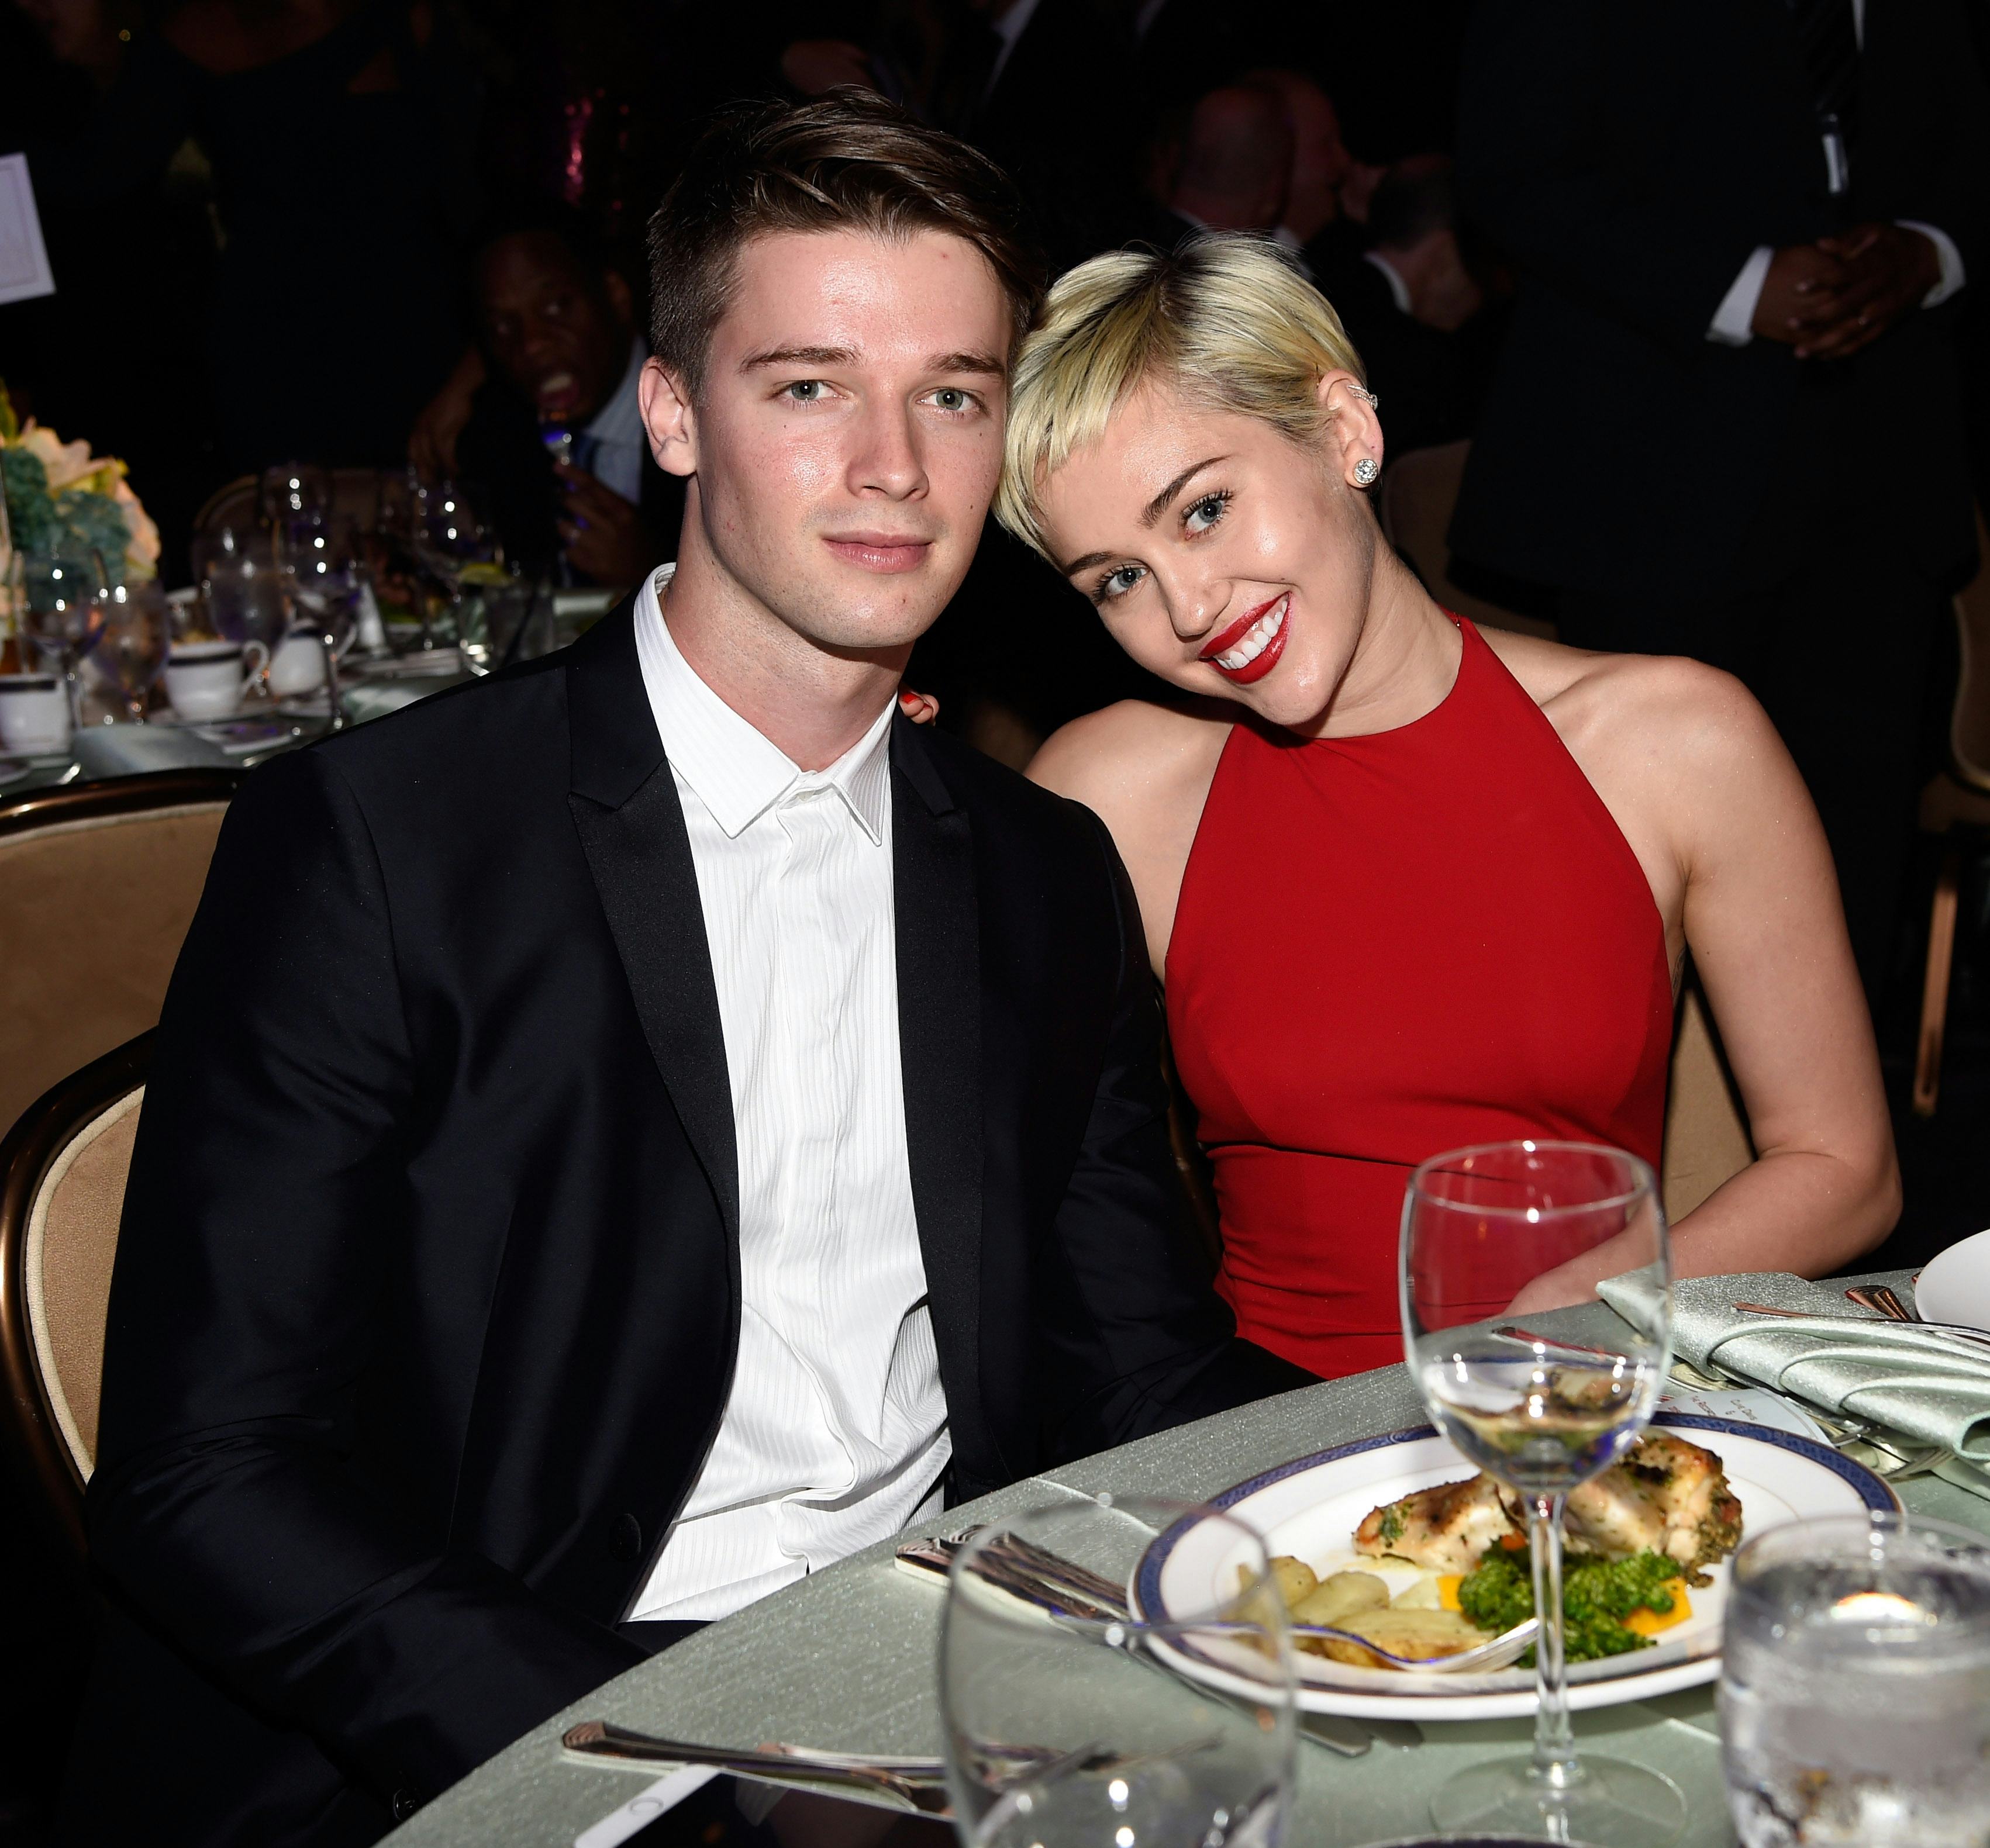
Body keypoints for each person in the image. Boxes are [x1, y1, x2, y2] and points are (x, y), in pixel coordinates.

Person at [65, 98, 1303, 1847]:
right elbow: (209, 1473)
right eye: (808, 387)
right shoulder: (384, 840)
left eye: (954, 395)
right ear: (671, 412)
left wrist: (1440, 1475)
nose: (894, 464)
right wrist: (659, 1774)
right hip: (519, 1699)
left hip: (951, 1684)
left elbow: (1143, 1376)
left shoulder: (1039, 873)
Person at [1009, 237, 1898, 1381]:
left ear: (1345, 428)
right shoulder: (1112, 788)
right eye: (1117, 578)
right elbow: (1013, 1179)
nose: (1187, 606)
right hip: (1263, 1430)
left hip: (1570, 1399)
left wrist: (1595, 1302)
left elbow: (1842, 1167)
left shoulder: (1671, 740)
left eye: (1204, 509)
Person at [1448, 0, 1990, 1000]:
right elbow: (1508, 158)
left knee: (1852, 865)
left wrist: (1928, 252)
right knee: (1645, 873)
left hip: (1882, 462)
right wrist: (1731, 284)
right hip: (1653, 468)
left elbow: (1964, 133)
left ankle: (1836, 1101)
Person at [454, 203, 686, 589]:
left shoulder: (703, 413)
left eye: (556, 306)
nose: (531, 343)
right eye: (503, 326)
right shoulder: (498, 435)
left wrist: (656, 577)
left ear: (614, 296)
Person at [1310, 156, 1493, 457]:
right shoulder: (1421, 360)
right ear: (1444, 257)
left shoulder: (1313, 277)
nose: (1480, 295)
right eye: (1480, 267)